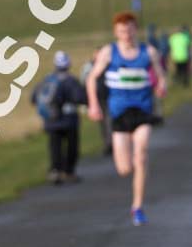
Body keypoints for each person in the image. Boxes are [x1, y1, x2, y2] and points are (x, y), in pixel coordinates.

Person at [87, 12, 166, 225]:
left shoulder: (148, 52)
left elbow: (160, 75)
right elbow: (92, 78)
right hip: (119, 113)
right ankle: (130, 166)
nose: (127, 35)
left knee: (141, 156)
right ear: (116, 32)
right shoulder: (109, 52)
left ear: (136, 29)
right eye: (122, 31)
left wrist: (161, 86)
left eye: (130, 30)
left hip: (142, 110)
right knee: (125, 169)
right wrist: (93, 104)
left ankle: (137, 206)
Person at [32, 51, 87, 184]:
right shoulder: (71, 80)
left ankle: (55, 171)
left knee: (54, 147)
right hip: (69, 119)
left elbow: (34, 98)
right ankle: (69, 171)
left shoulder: (47, 79)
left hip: (51, 120)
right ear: (68, 64)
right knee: (72, 147)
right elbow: (80, 98)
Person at [81, 47, 112, 155]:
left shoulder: (108, 65)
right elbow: (85, 82)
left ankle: (111, 143)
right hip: (98, 99)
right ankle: (107, 143)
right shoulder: (90, 67)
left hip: (109, 97)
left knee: (109, 121)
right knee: (103, 123)